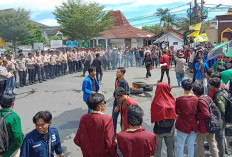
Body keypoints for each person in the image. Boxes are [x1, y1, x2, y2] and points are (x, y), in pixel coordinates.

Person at [192, 81, 219, 157]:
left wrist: (197, 116)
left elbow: (206, 114)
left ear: (195, 92)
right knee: (213, 144)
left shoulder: (200, 101)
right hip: (211, 125)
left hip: (204, 127)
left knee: (200, 145)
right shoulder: (207, 97)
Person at [151, 82, 177, 157]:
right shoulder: (171, 99)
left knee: (157, 149)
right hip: (170, 128)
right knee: (171, 149)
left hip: (159, 129)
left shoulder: (156, 101)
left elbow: (153, 113)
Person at [175, 79, 198, 157]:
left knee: (180, 145)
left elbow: (176, 111)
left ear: (182, 87)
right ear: (192, 88)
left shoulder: (179, 99)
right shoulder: (196, 99)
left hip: (182, 125)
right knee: (191, 145)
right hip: (193, 125)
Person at [209, 77, 229, 156]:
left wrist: (216, 116)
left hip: (220, 120)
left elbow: (221, 110)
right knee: (222, 136)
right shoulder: (224, 91)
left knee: (219, 138)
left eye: (211, 85)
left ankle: (221, 154)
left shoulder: (218, 96)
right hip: (224, 119)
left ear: (213, 86)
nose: (210, 87)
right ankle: (225, 150)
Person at [112, 67, 129, 135]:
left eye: (118, 72)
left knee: (123, 119)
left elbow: (127, 94)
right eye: (116, 72)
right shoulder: (117, 80)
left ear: (122, 73)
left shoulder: (124, 82)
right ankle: (113, 133)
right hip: (116, 102)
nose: (116, 73)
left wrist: (119, 106)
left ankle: (124, 134)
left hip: (122, 104)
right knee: (113, 118)